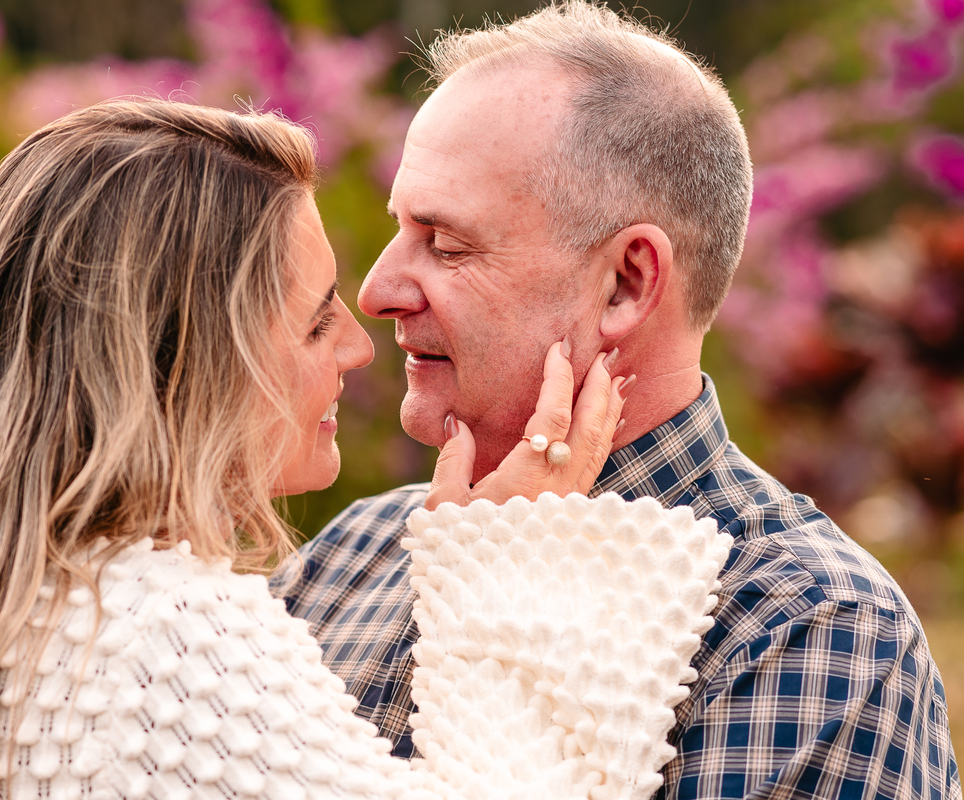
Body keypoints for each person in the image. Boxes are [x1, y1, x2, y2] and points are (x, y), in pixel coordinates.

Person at [0, 98, 731, 800]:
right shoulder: (165, 641)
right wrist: (512, 560)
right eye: (317, 317)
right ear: (193, 351)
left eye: (444, 243)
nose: (360, 344)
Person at [273, 4, 962, 799]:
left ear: (627, 284)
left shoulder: (809, 634)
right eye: (400, 231)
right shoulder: (349, 560)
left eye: (448, 244)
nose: (378, 290)